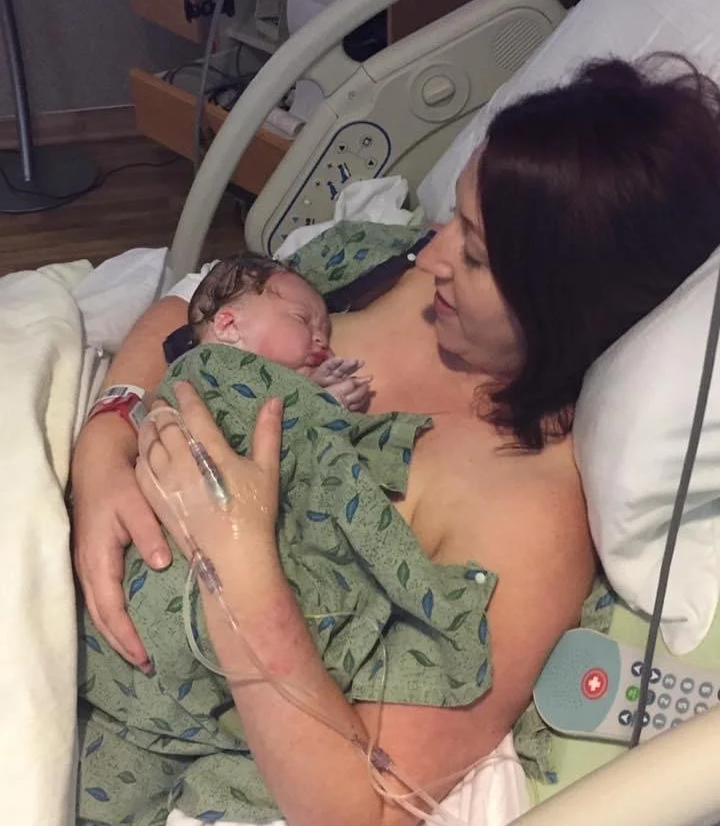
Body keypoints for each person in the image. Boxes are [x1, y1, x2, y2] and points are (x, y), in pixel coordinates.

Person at [71, 56, 720, 825]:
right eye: (454, 219)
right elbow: (194, 309)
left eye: (475, 254)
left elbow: (372, 809)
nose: (432, 252)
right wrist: (103, 443)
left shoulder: (526, 508)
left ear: (565, 303)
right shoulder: (399, 274)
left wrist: (241, 579)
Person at [187, 250, 372, 410]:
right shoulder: (206, 372)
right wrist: (320, 403)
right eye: (301, 319)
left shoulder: (271, 387)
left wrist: (316, 389)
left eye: (325, 331)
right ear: (228, 326)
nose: (322, 340)